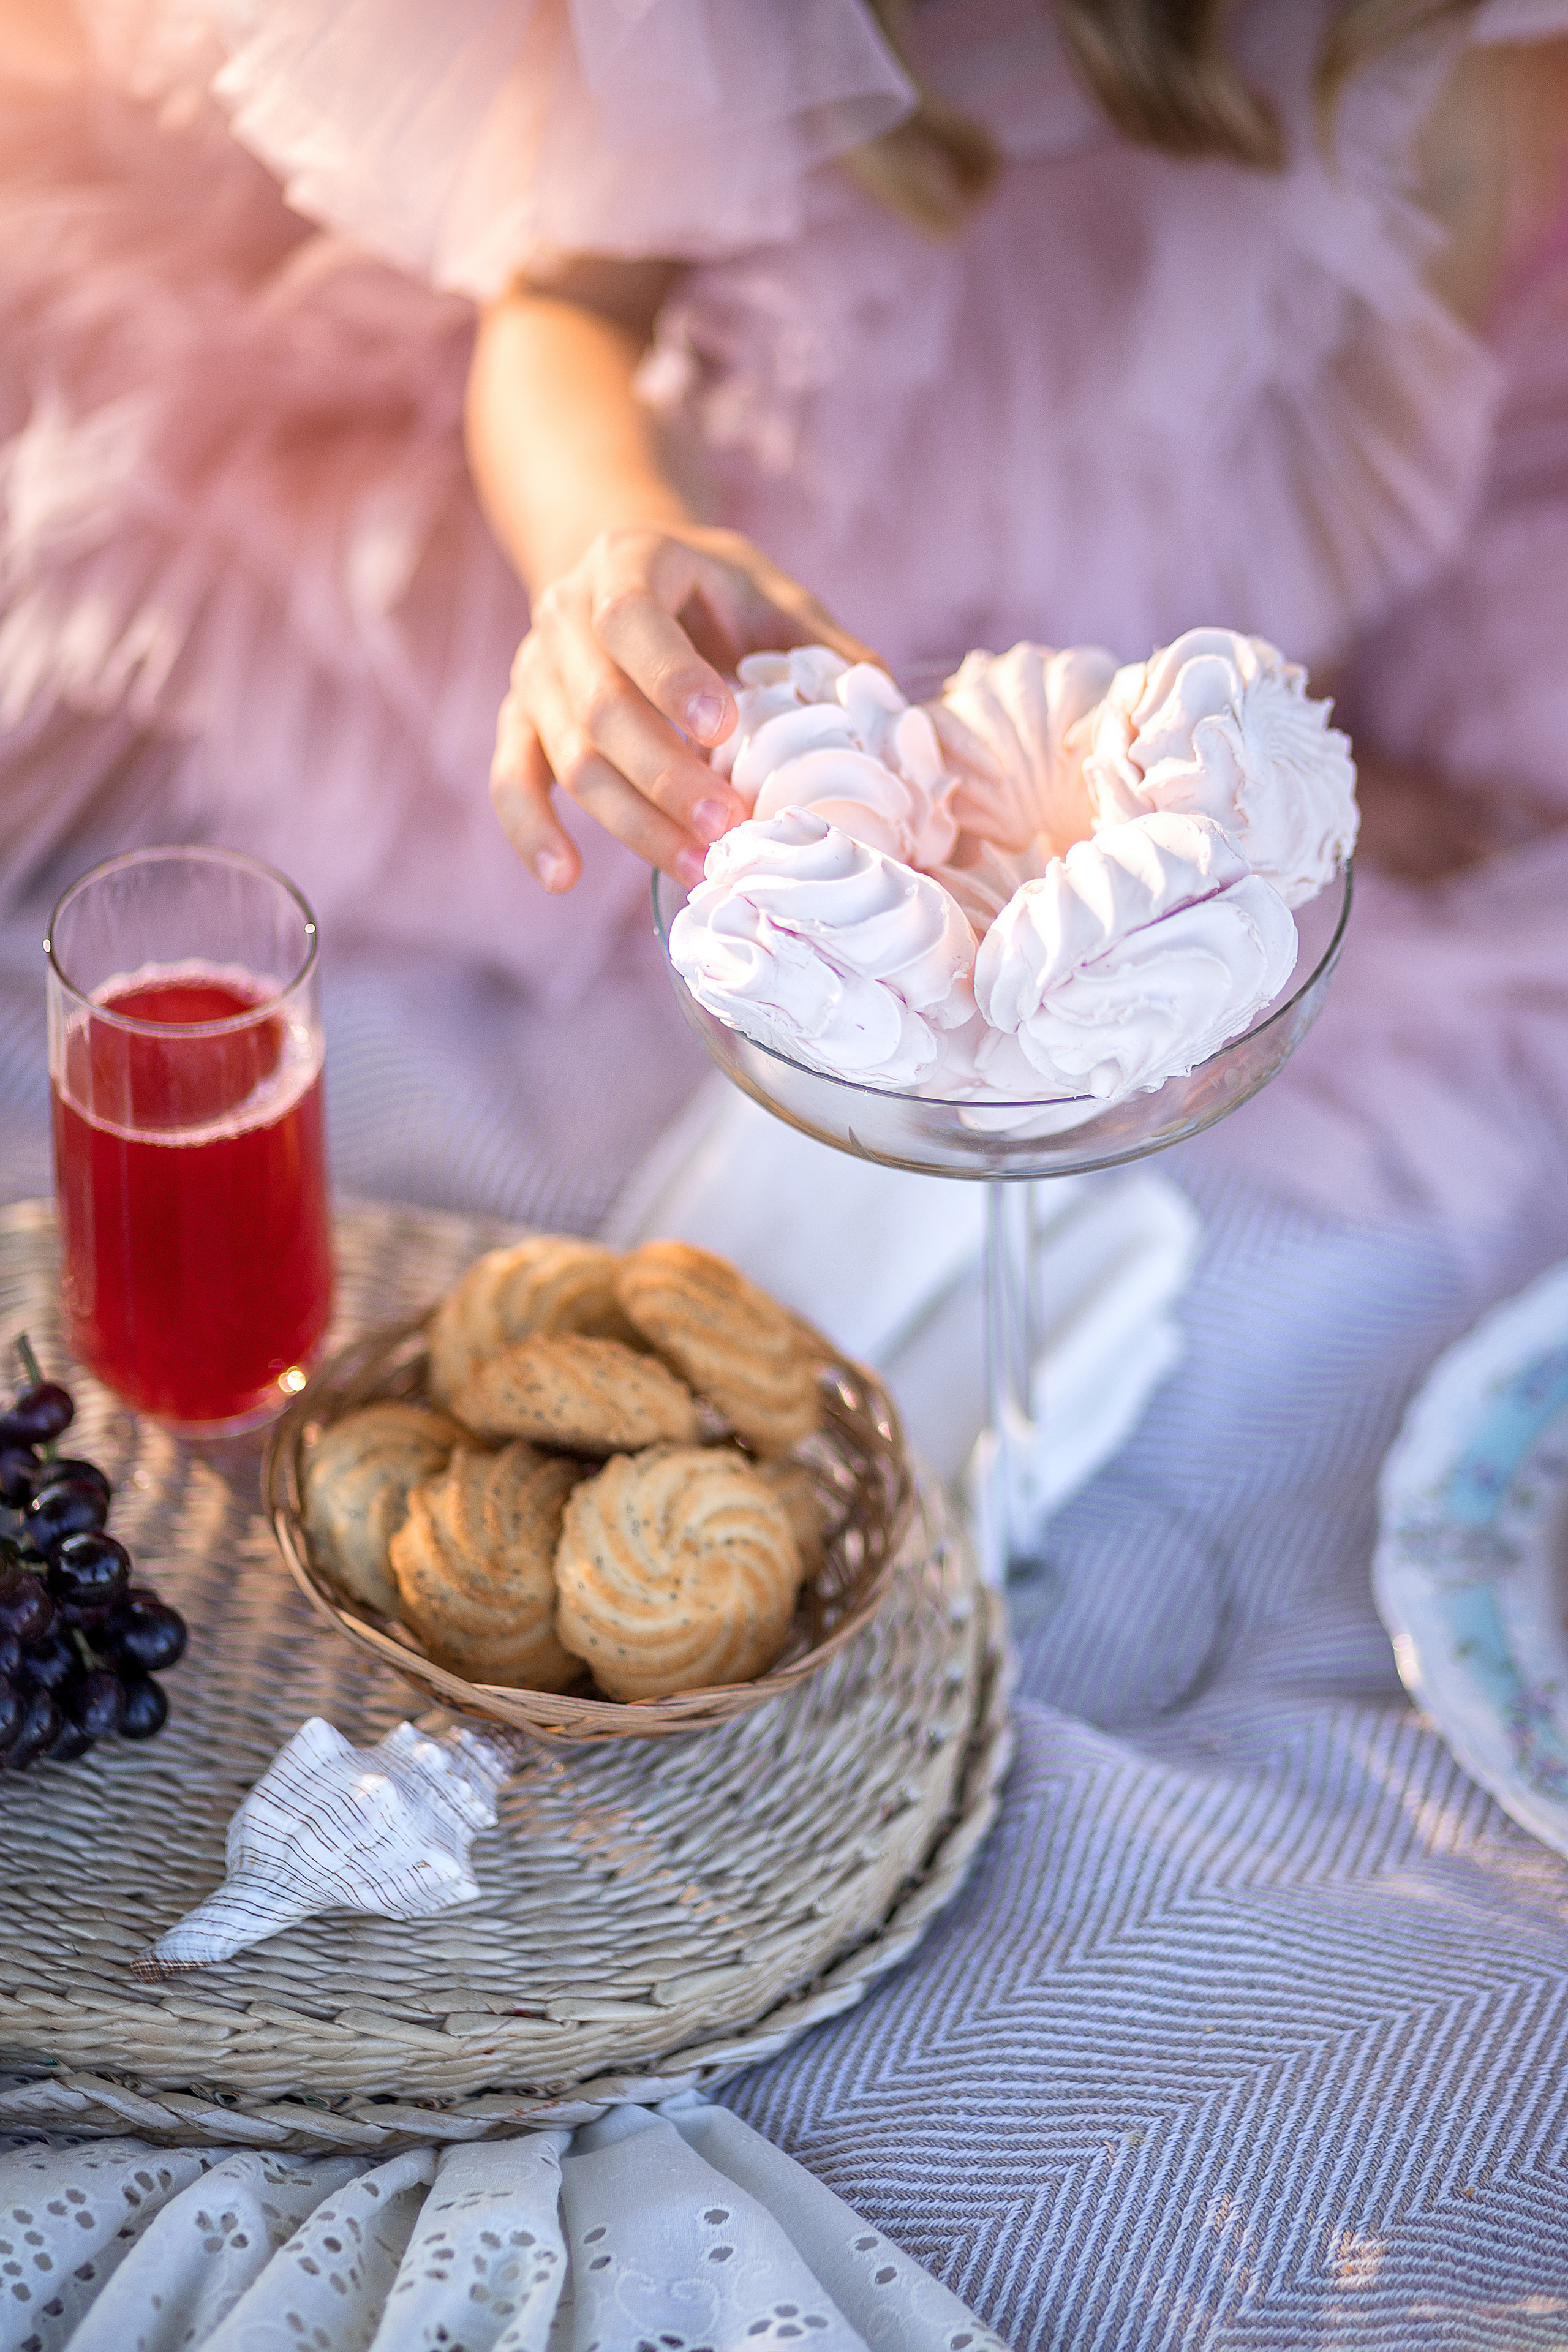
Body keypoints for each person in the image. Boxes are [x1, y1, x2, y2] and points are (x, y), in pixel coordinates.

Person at [2, 0, 1567, 1232]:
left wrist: (1283, 721)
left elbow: (1365, 384)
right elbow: (566, 308)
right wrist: (618, 537)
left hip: (1161, 575)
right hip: (777, 561)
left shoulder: (1404, 45)